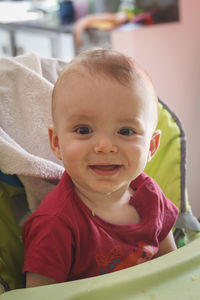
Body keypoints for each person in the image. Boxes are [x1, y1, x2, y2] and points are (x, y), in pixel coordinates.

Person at [22, 48, 179, 288]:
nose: (105, 146)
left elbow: (172, 270)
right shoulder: (55, 225)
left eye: (125, 131)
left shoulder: (150, 196)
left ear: (151, 146)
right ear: (56, 143)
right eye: (84, 130)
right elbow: (39, 295)